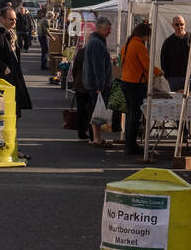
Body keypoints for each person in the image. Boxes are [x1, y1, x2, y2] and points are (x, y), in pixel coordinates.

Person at [0, 7, 33, 157]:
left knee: (14, 116)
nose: (15, 22)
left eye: (16, 19)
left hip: (14, 81)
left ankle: (13, 147)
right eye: (11, 19)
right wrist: (3, 68)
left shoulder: (10, 34)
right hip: (2, 84)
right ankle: (4, 147)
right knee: (4, 117)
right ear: (2, 19)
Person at [160, 15, 191, 144]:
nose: (179, 27)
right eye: (177, 24)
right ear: (173, 26)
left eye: (181, 24)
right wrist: (168, 77)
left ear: (185, 24)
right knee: (179, 108)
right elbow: (163, 61)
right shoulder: (168, 42)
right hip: (175, 79)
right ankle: (183, 134)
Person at [119, 21, 164, 157]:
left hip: (126, 81)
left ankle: (129, 144)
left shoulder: (127, 44)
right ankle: (132, 146)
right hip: (136, 84)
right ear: (143, 35)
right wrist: (159, 71)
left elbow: (122, 62)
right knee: (135, 116)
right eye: (147, 36)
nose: (148, 39)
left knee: (129, 116)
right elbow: (147, 65)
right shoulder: (139, 46)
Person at [82, 16, 113, 147]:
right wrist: (100, 85)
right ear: (99, 28)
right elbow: (98, 66)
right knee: (97, 111)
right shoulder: (97, 43)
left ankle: (96, 137)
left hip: (93, 83)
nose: (109, 32)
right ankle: (96, 138)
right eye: (107, 29)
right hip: (96, 84)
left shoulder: (96, 41)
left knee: (96, 110)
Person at [70, 46, 92, 140]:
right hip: (90, 85)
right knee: (91, 110)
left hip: (79, 84)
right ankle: (91, 133)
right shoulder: (95, 51)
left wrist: (75, 81)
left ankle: (81, 132)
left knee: (81, 109)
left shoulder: (81, 52)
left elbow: (74, 68)